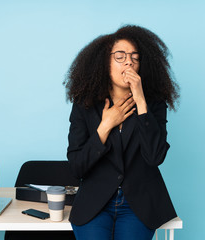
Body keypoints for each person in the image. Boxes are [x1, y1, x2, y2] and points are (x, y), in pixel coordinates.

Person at [63, 25, 179, 240]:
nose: (129, 62)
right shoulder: (85, 104)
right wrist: (105, 126)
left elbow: (155, 157)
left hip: (139, 204)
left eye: (135, 57)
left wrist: (141, 101)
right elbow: (76, 166)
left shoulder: (153, 104)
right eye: (120, 56)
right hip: (95, 203)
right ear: (103, 63)